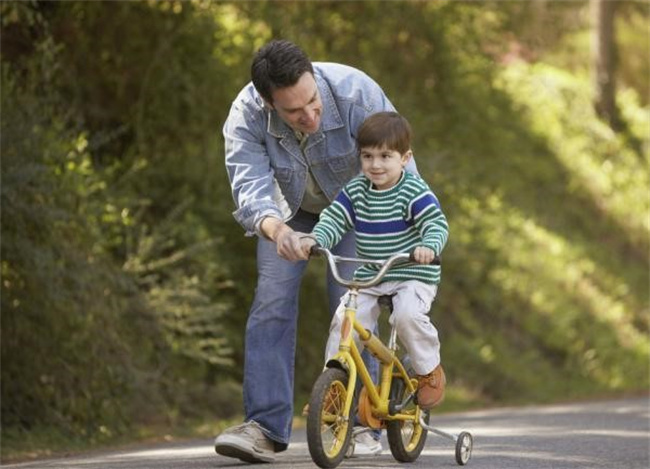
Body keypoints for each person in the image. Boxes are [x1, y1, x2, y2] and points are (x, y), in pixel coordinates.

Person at [214, 39, 418, 463]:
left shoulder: (355, 94)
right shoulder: (246, 116)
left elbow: (401, 169)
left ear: (313, 77)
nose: (308, 115)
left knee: (352, 305)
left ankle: (363, 424)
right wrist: (276, 230)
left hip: (359, 210)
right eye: (293, 112)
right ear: (269, 104)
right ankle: (264, 429)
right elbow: (250, 188)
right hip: (288, 214)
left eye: (312, 102)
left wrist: (412, 237)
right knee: (271, 299)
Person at [300, 111, 449, 413]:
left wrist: (428, 247)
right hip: (372, 274)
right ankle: (336, 385)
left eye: (385, 156)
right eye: (367, 156)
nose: (375, 165)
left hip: (412, 271)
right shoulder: (356, 191)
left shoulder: (413, 190)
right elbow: (335, 218)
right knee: (344, 321)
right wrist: (316, 239)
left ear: (404, 158)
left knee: (406, 315)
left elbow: (436, 224)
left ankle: (429, 370)